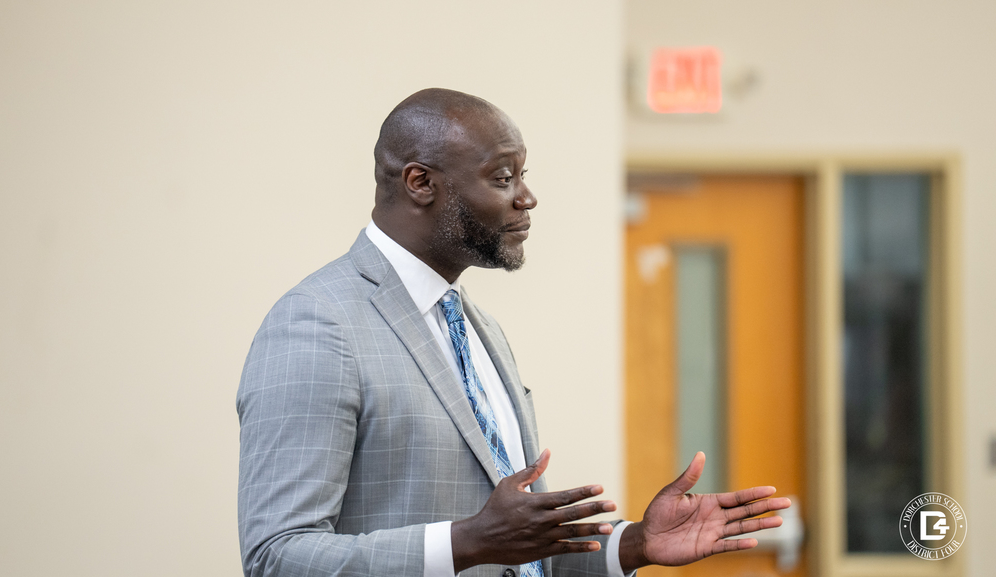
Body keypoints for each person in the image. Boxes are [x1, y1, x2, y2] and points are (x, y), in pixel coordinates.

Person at [236, 88, 790, 577]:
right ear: (420, 182)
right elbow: (277, 556)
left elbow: (519, 550)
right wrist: (465, 543)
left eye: (524, 177)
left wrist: (635, 543)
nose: (526, 198)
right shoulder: (317, 323)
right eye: (503, 178)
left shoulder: (479, 328)